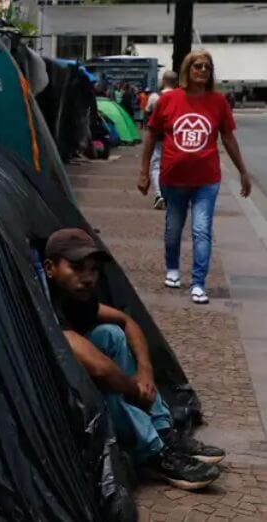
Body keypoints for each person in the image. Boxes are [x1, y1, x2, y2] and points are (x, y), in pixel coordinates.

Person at [43, 228, 225, 491]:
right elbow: (97, 366)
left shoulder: (76, 297)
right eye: (77, 267)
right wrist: (134, 390)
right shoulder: (45, 302)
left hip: (91, 381)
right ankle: (153, 453)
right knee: (110, 385)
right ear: (50, 268)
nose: (88, 278)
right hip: (58, 399)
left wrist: (145, 373)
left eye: (93, 269)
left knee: (111, 333)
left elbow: (127, 321)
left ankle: (163, 433)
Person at [138, 51, 252, 304]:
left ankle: (199, 283)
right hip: (173, 178)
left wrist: (243, 171)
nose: (202, 70)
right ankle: (173, 269)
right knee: (173, 228)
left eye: (207, 67)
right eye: (198, 66)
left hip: (206, 180)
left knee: (202, 230)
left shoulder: (218, 101)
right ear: (187, 70)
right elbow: (151, 137)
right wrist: (144, 172)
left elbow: (229, 139)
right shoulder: (168, 101)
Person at [144, 71, 178, 210]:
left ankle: (160, 194)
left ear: (163, 81)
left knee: (157, 165)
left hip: (158, 137)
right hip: (175, 138)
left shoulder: (154, 96)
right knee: (174, 166)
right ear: (175, 82)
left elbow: (147, 111)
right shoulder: (180, 97)